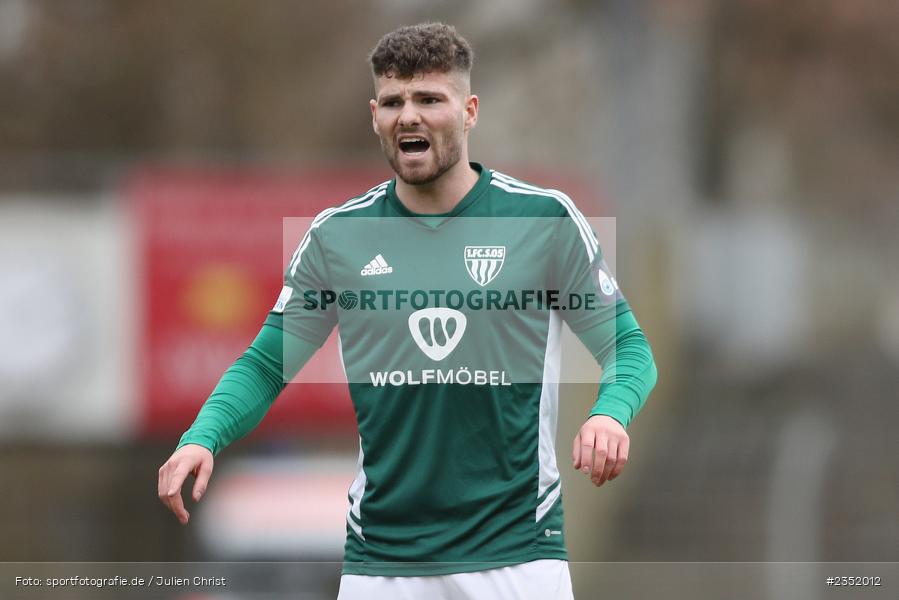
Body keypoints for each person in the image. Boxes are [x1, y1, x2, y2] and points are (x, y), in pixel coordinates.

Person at [158, 22, 657, 600]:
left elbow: (628, 349)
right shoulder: (338, 238)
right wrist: (203, 436)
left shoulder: (544, 222)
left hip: (517, 556)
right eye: (393, 101)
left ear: (469, 111)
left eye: (428, 99)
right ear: (375, 115)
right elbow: (267, 366)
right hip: (383, 564)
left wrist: (609, 414)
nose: (409, 116)